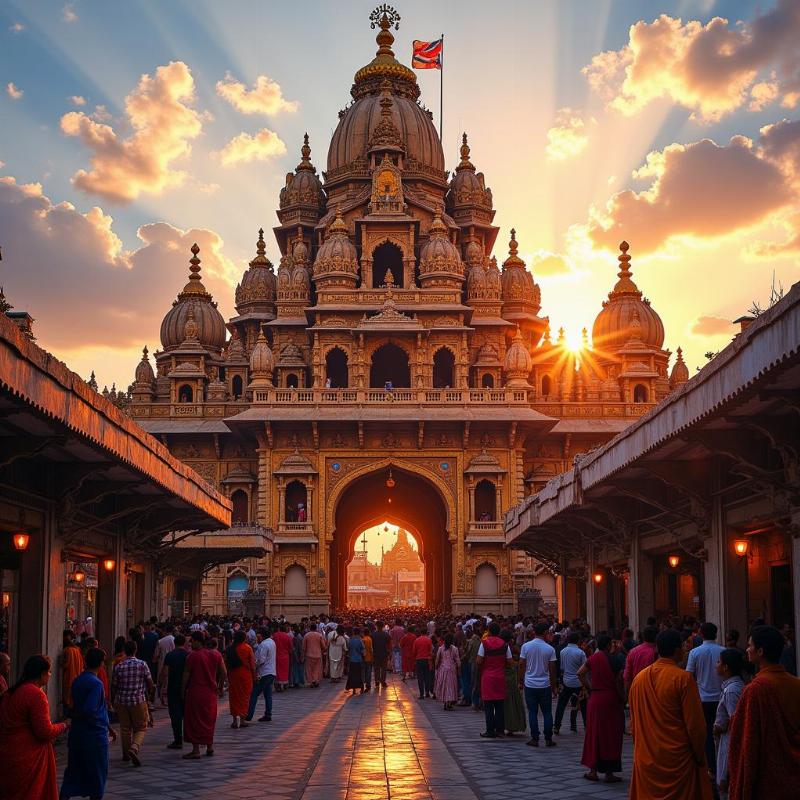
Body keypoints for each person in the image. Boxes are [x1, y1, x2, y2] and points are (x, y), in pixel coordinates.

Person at [629, 628, 712, 799]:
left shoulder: (639, 679)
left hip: (647, 757)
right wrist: (699, 755)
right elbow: (696, 727)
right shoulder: (683, 679)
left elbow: (634, 725)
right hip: (678, 760)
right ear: (677, 650)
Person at [727, 625, 800, 800]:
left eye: (750, 645)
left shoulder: (756, 690)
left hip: (767, 780)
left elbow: (747, 741)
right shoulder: (796, 684)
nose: (747, 649)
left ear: (760, 651)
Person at [0, 654, 67, 800]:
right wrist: (65, 725)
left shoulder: (9, 693)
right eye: (49, 672)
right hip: (29, 757)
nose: (50, 675)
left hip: (7, 754)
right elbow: (44, 731)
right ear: (42, 674)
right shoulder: (36, 695)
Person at [60, 647, 114, 800]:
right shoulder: (96, 684)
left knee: (72, 773)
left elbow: (74, 706)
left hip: (77, 735)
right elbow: (90, 710)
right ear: (101, 663)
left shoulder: (78, 680)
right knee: (97, 776)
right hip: (94, 736)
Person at [578, 634, 624, 784]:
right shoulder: (616, 659)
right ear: (609, 644)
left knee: (595, 733)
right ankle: (609, 773)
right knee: (612, 735)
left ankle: (593, 771)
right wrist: (623, 698)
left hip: (596, 699)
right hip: (611, 699)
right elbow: (618, 681)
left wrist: (590, 687)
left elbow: (580, 673)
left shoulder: (594, 658)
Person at [686, 621, 725, 780]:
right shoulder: (723, 651)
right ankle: (723, 765)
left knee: (707, 733)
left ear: (701, 634)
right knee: (723, 734)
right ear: (715, 634)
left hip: (702, 699)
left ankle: (712, 767)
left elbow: (689, 676)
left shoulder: (695, 652)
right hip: (721, 697)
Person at [182, 632, 226, 759]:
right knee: (208, 720)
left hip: (196, 692)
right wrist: (220, 687)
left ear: (198, 641)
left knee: (195, 721)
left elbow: (186, 676)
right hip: (210, 694)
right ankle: (209, 747)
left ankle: (196, 750)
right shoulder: (216, 654)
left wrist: (182, 690)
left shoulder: (192, 656)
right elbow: (224, 673)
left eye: (192, 641)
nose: (190, 644)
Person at [110, 639, 153, 767]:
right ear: (136, 650)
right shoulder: (142, 664)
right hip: (138, 700)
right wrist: (149, 692)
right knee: (141, 727)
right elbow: (150, 682)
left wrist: (114, 699)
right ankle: (134, 748)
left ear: (125, 651)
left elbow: (114, 685)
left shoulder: (119, 666)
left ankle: (125, 754)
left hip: (122, 701)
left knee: (125, 728)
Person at [519, 622, 557, 747]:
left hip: (530, 684)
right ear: (545, 633)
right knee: (547, 712)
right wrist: (554, 687)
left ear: (534, 632)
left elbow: (522, 664)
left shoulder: (526, 646)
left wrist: (521, 680)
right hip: (545, 685)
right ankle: (548, 738)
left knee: (532, 712)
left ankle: (535, 738)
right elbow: (552, 669)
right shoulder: (550, 649)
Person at [713, 648, 745, 800]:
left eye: (719, 662)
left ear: (726, 667)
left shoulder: (732, 691)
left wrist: (722, 726)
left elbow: (736, 724)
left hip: (730, 743)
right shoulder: (731, 687)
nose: (716, 665)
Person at [478, 621, 511, 738]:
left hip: (487, 677)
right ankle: (500, 730)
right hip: (500, 677)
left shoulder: (484, 644)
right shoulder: (505, 645)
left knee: (488, 706)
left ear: (489, 631)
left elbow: (479, 661)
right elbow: (510, 662)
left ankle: (490, 730)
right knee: (500, 705)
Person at [553, 631, 586, 734]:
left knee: (561, 705)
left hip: (566, 681)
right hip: (578, 683)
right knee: (583, 705)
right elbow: (584, 669)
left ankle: (557, 726)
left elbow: (562, 668)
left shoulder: (563, 652)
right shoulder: (581, 653)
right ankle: (586, 725)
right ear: (578, 641)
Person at [161, 633, 189, 749]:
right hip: (187, 689)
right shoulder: (188, 655)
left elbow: (165, 673)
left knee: (175, 715)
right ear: (184, 643)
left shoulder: (170, 656)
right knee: (187, 714)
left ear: (174, 643)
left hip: (173, 688)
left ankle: (178, 739)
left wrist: (162, 685)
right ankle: (189, 737)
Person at [226, 629, 255, 729]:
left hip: (233, 676)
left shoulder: (229, 648)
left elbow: (226, 664)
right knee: (244, 697)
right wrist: (255, 676)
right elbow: (252, 665)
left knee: (234, 697)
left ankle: (234, 720)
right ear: (244, 638)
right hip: (245, 676)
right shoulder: (247, 648)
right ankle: (242, 720)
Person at [247, 627, 276, 722]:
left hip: (264, 673)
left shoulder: (263, 644)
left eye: (258, 634)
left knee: (254, 694)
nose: (257, 636)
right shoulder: (272, 642)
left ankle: (249, 714)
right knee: (268, 695)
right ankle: (268, 714)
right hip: (271, 672)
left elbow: (261, 660)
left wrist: (254, 664)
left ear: (262, 634)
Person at [500, 629, 526, 734]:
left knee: (505, 702)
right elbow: (513, 662)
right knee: (511, 703)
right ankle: (512, 724)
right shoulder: (509, 647)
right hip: (510, 678)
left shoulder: (502, 647)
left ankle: (505, 724)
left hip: (503, 676)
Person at [623, 625, 658, 691]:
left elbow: (627, 677)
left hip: (636, 690)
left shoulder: (633, 652)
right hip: (652, 692)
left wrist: (628, 696)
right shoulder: (657, 653)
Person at [434, 633, 460, 710]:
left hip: (443, 669)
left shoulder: (441, 648)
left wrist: (436, 669)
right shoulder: (455, 649)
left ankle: (446, 702)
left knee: (445, 686)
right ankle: (449, 703)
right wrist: (459, 669)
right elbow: (458, 660)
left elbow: (437, 660)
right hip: (452, 669)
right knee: (451, 686)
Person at [62, 630, 83, 714]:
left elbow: (65, 665)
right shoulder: (77, 650)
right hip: (77, 678)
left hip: (68, 678)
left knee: (67, 702)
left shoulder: (67, 650)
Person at [412, 627, 433, 699]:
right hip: (427, 660)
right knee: (427, 677)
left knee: (420, 678)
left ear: (421, 633)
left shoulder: (417, 640)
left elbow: (414, 651)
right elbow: (431, 650)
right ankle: (427, 693)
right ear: (426, 632)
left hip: (419, 660)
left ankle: (421, 694)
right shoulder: (429, 640)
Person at [272, 623, 292, 691]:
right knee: (285, 671)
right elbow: (290, 647)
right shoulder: (287, 636)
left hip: (276, 656)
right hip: (285, 657)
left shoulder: (275, 635)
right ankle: (284, 684)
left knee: (277, 670)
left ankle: (278, 684)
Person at [345, 629, 365, 696]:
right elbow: (362, 650)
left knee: (352, 675)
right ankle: (361, 688)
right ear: (359, 633)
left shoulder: (351, 640)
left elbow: (348, 648)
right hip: (358, 660)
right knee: (359, 675)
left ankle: (353, 689)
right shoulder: (360, 640)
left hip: (352, 660)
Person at [371, 624, 390, 688]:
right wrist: (389, 652)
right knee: (384, 668)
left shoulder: (373, 634)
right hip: (384, 653)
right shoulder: (386, 634)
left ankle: (377, 681)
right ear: (383, 627)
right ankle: (383, 681)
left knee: (376, 668)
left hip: (376, 654)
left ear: (376, 626)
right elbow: (389, 644)